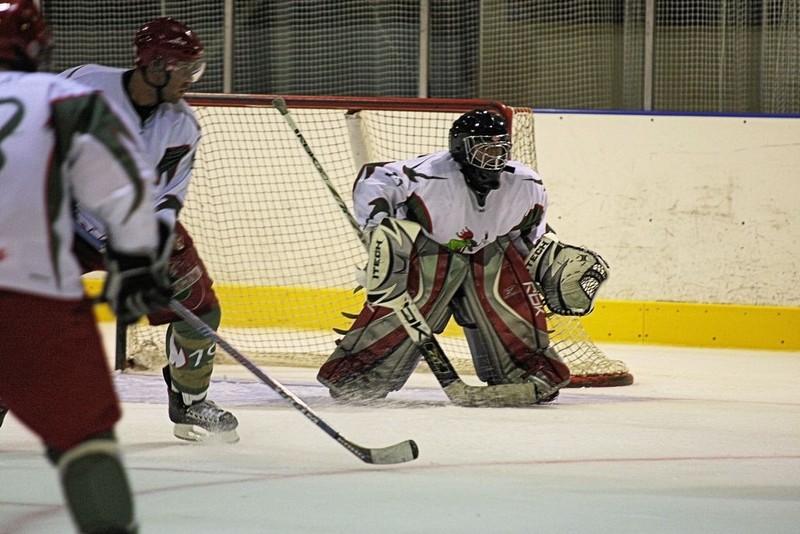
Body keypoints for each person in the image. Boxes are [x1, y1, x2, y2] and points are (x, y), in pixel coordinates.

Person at [0, 1, 172, 531]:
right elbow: (125, 190)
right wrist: (135, 262)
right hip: (30, 293)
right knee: (85, 441)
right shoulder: (64, 97)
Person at [317, 109, 609, 403]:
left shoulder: (527, 184)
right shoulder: (427, 174)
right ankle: (359, 371)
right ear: (460, 148)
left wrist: (545, 263)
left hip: (490, 253)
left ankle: (525, 369)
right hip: (429, 250)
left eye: (500, 148)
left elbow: (530, 235)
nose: (494, 157)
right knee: (417, 294)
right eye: (485, 149)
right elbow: (374, 177)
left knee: (509, 299)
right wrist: (381, 236)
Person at [61, 17, 238, 442]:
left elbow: (168, 198)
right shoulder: (84, 88)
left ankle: (190, 402)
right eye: (185, 69)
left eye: (195, 69)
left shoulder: (181, 125)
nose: (191, 79)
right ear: (155, 65)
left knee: (200, 307)